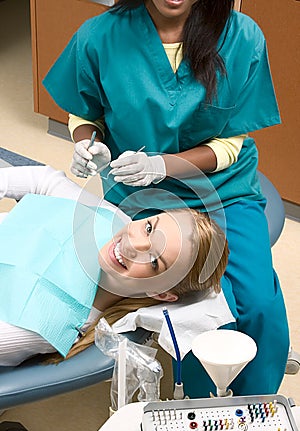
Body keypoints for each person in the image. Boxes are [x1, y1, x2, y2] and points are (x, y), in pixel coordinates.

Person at [42, 0, 289, 396]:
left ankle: (256, 405)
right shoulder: (100, 36)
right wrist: (88, 144)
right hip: (141, 196)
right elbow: (85, 113)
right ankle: (196, 408)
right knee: (198, 305)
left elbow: (230, 143)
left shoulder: (242, 37)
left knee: (257, 301)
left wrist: (164, 165)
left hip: (221, 188)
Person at [0, 165, 228, 366]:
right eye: (149, 228)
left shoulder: (46, 324)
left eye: (154, 261)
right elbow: (45, 180)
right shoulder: (111, 220)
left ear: (162, 293)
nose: (133, 243)